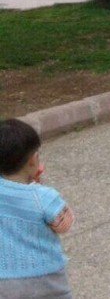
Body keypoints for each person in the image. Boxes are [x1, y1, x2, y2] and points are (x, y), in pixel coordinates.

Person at [1, 119, 75, 299]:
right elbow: (63, 225)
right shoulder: (43, 196)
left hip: (4, 280)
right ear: (33, 159)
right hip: (45, 276)